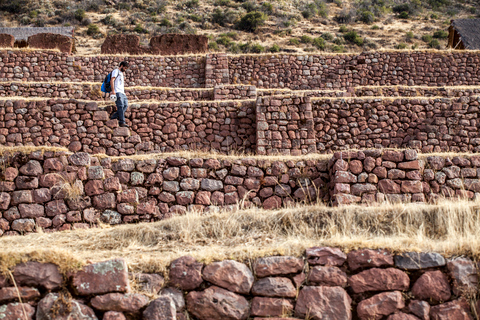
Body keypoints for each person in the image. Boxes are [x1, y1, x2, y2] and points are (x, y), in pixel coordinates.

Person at [109, 61, 130, 128]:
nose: (125, 69)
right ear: (121, 65)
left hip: (122, 92)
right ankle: (122, 122)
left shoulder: (121, 73)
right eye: (125, 68)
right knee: (120, 106)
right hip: (117, 92)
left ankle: (114, 117)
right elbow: (112, 80)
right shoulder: (116, 71)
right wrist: (113, 91)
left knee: (125, 105)